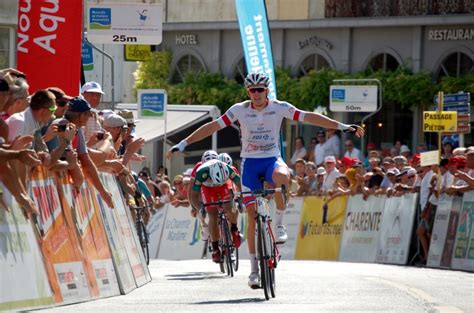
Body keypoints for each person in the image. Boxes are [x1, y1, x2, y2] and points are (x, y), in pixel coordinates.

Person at [168, 72, 364, 288]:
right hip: (250, 164)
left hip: (272, 159)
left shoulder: (279, 107)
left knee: (282, 176)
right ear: (248, 92)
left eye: (261, 89)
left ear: (267, 90)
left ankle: (279, 225)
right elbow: (212, 127)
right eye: (253, 90)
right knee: (252, 219)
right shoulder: (239, 110)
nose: (257, 94)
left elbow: (308, 116)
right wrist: (184, 143)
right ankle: (253, 271)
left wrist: (343, 127)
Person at [189, 159, 242, 263]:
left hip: (224, 185)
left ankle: (234, 229)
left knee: (230, 207)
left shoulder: (229, 169)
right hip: (208, 188)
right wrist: (200, 208)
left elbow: (240, 185)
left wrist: (240, 199)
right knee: (212, 215)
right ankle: (216, 249)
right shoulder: (201, 173)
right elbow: (193, 195)